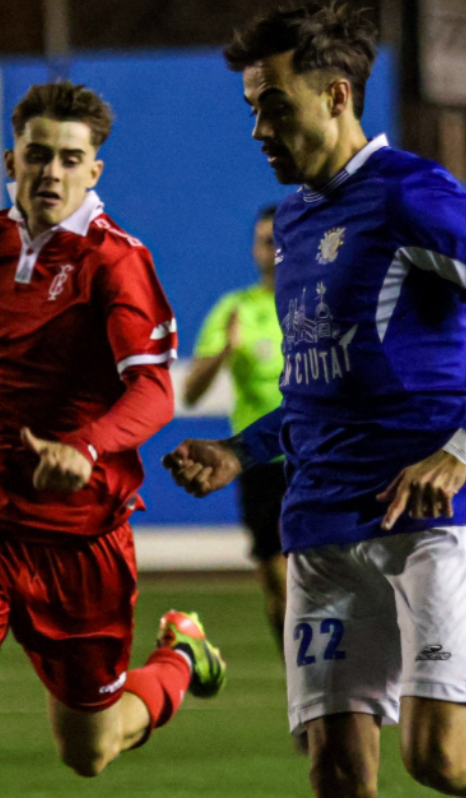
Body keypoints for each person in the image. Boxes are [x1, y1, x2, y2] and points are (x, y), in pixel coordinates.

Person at [164, 4, 466, 798]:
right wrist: (239, 451)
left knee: (442, 759)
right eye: (251, 109)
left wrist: (460, 450)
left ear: (336, 96)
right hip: (322, 520)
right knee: (336, 773)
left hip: (432, 516)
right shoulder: (296, 221)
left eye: (274, 106)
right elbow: (319, 387)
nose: (259, 129)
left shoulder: (414, 197)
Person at [0, 81, 226, 798]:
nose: (51, 171)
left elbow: (154, 391)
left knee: (90, 750)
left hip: (81, 541)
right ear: (12, 159)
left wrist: (83, 449)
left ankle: (180, 653)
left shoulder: (115, 262)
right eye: (38, 155)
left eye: (69, 158)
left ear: (94, 171)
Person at [184, 204, 288, 648]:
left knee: (321, 577)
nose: (273, 249)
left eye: (280, 239)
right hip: (261, 462)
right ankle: (300, 683)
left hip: (320, 458)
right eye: (265, 240)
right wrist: (223, 353)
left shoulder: (319, 303)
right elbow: (189, 393)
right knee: (278, 584)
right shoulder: (237, 309)